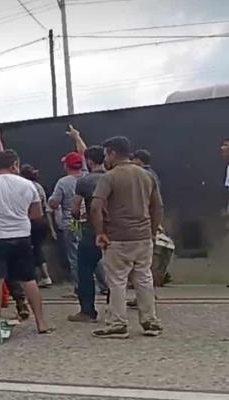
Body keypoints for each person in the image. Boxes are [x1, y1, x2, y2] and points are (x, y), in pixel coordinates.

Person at [0, 150, 52, 333]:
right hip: (22, 236)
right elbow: (37, 214)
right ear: (15, 164)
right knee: (29, 279)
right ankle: (41, 323)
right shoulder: (28, 185)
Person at [91, 136, 164, 339]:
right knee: (144, 278)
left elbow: (96, 206)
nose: (105, 158)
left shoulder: (110, 177)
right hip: (143, 237)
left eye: (106, 153)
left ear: (113, 153)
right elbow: (158, 205)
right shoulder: (146, 175)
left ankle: (117, 323)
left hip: (118, 237)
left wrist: (100, 233)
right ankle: (150, 321)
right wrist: (153, 231)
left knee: (117, 280)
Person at [48, 125, 88, 297]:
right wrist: (77, 137)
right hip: (90, 221)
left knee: (75, 255)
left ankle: (80, 288)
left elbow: (54, 203)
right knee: (92, 253)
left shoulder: (63, 182)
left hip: (72, 222)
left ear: (67, 166)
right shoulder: (88, 175)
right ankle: (101, 284)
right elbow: (85, 153)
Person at [69, 145, 108, 323]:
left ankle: (87, 311)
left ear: (90, 161)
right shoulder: (112, 177)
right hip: (115, 231)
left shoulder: (84, 182)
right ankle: (115, 308)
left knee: (85, 271)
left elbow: (75, 208)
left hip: (91, 232)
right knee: (117, 272)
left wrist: (78, 217)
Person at [20, 164, 54, 288]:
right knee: (37, 248)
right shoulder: (38, 186)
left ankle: (36, 277)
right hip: (41, 221)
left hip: (30, 221)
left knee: (30, 249)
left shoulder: (24, 187)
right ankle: (44, 276)